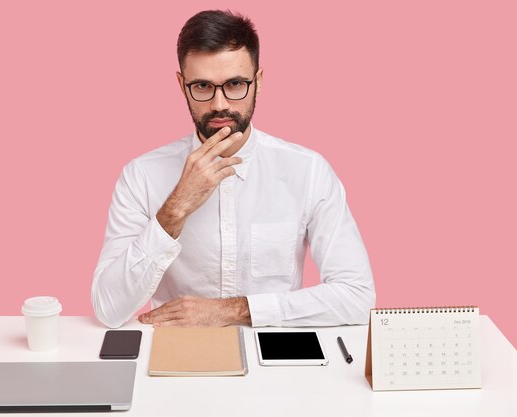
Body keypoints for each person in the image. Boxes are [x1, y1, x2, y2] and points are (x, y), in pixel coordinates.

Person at [91, 10, 375, 329]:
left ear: (259, 81)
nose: (219, 104)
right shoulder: (141, 175)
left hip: (274, 354)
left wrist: (236, 311)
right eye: (202, 86)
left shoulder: (308, 171)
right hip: (178, 352)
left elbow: (357, 296)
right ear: (181, 85)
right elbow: (108, 308)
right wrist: (176, 208)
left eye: (236, 84)